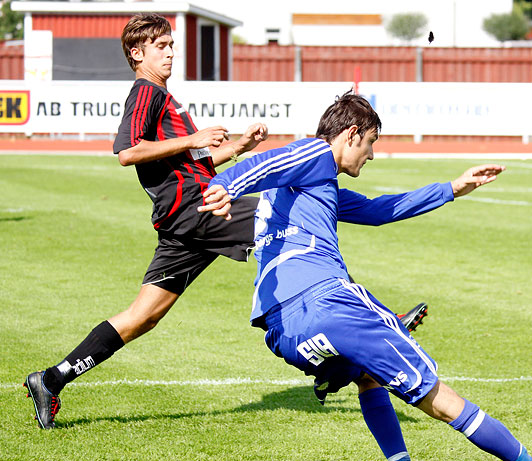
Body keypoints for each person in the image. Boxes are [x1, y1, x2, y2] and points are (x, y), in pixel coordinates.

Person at [22, 13, 427, 435]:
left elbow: (186, 164)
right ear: (137, 54)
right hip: (198, 209)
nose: (170, 52)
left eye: (171, 44)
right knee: (290, 220)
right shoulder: (146, 92)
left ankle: (50, 379)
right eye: (161, 46)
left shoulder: (165, 98)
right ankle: (363, 334)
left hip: (185, 218)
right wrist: (194, 139)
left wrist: (237, 148)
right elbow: (128, 151)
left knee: (143, 316)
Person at [199, 92, 532, 461]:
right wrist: (223, 186)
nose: (372, 155)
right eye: (371, 143)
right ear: (351, 134)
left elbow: (380, 210)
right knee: (440, 399)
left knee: (368, 378)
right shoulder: (317, 154)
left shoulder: (305, 189)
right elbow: (263, 162)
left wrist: (452, 188)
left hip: (281, 329)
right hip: (331, 303)